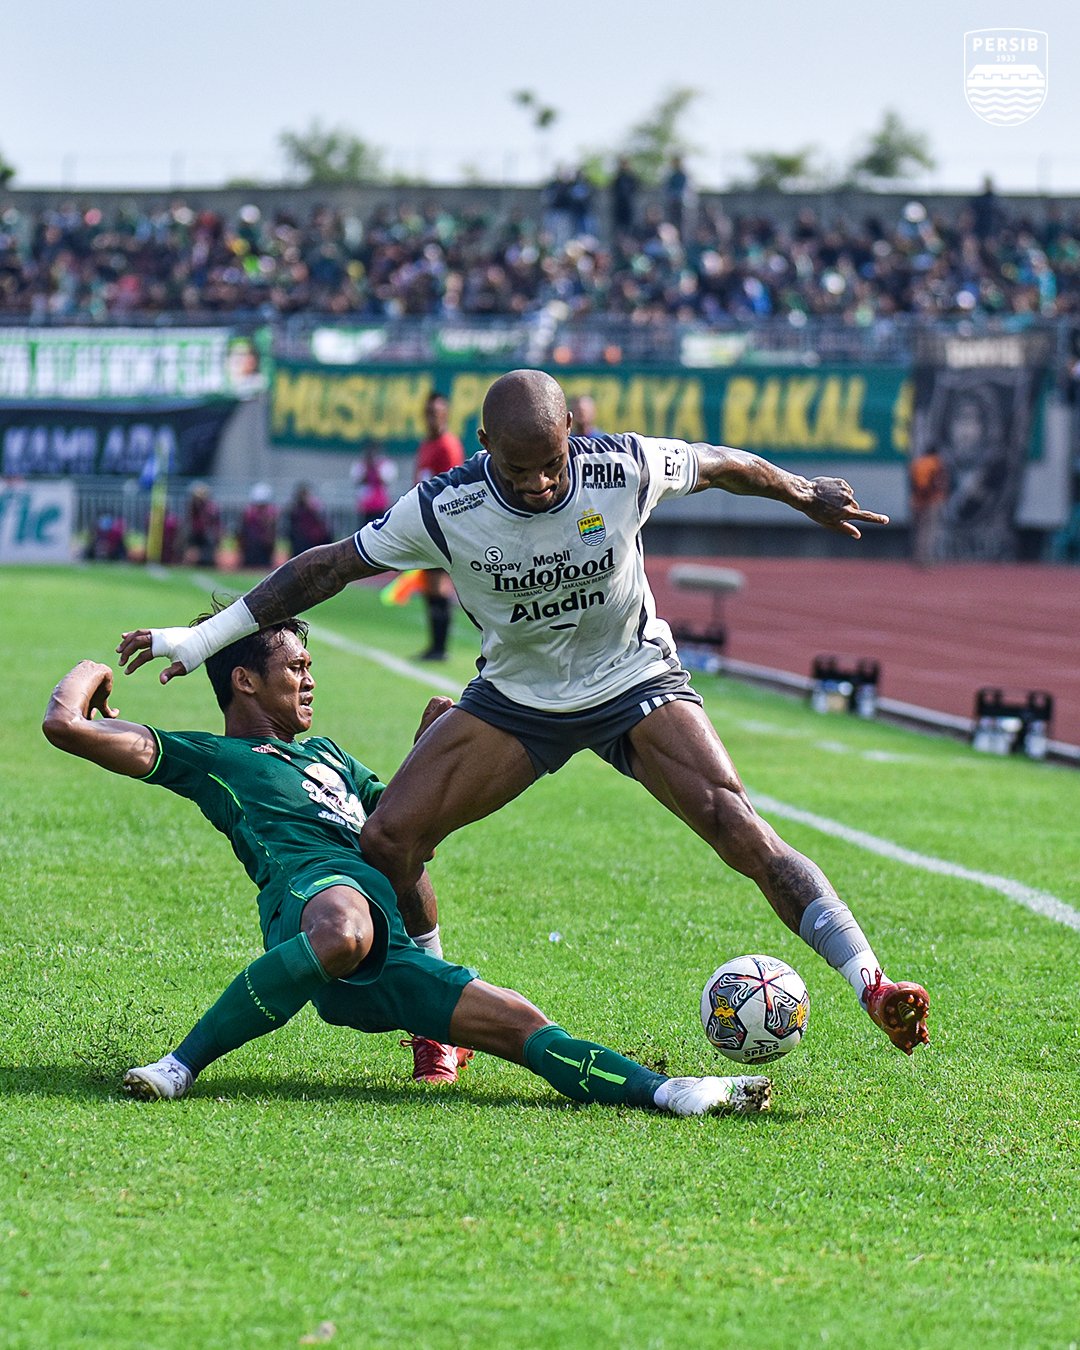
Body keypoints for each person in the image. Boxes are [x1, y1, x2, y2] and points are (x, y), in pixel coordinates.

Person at [117, 368, 930, 1056]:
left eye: (550, 463)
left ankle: (870, 981)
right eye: (518, 470)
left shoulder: (624, 466)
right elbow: (325, 569)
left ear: (572, 432)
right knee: (389, 840)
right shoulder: (447, 507)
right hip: (517, 702)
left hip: (634, 682)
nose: (539, 482)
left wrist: (803, 491)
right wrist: (204, 638)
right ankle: (435, 1026)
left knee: (740, 827)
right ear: (486, 453)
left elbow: (722, 464)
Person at [43, 626, 771, 1117]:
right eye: (296, 668)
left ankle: (675, 1093)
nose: (309, 681)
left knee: (522, 1022)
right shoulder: (210, 758)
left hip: (377, 944)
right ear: (244, 682)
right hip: (311, 905)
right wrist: (94, 671)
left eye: (309, 668)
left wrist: (429, 748)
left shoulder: (329, 756)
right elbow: (65, 726)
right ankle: (178, 1066)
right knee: (346, 924)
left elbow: (398, 820)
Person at [412, 391, 465, 660]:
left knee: (439, 585)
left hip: (440, 524)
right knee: (429, 585)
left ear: (445, 415)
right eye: (429, 413)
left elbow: (453, 487)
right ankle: (435, 646)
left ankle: (440, 648)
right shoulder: (427, 444)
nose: (433, 418)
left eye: (438, 413)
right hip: (424, 523)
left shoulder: (447, 445)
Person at [907, 444, 948, 567]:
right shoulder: (935, 463)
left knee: (920, 531)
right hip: (931, 501)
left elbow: (912, 483)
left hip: (916, 501)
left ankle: (917, 557)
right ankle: (927, 559)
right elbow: (936, 482)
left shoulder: (917, 463)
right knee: (929, 531)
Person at [352, 441, 396, 529]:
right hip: (365, 505)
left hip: (380, 504)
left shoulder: (384, 464)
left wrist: (375, 470)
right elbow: (357, 479)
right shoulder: (361, 464)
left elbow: (386, 480)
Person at [238, 483, 279, 570]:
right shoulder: (249, 512)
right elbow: (243, 530)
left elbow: (272, 531)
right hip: (251, 545)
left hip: (264, 546)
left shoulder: (271, 512)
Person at [286, 482, 332, 558]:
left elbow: (322, 522)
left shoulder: (314, 505)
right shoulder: (295, 507)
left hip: (312, 538)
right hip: (301, 538)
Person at [185, 483, 222, 567]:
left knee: (207, 554)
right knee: (192, 552)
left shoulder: (211, 507)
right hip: (196, 532)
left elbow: (214, 521)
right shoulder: (193, 505)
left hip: (207, 533)